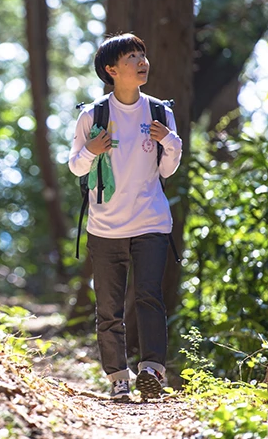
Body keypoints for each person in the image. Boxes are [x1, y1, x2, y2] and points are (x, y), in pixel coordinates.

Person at [68, 33, 182, 401]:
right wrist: (91, 149)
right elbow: (75, 166)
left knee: (150, 298)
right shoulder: (93, 115)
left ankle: (151, 370)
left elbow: (167, 170)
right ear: (112, 70)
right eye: (132, 56)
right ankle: (119, 377)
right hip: (105, 227)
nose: (141, 60)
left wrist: (170, 141)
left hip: (151, 222)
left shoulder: (161, 112)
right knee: (109, 309)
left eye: (142, 54)